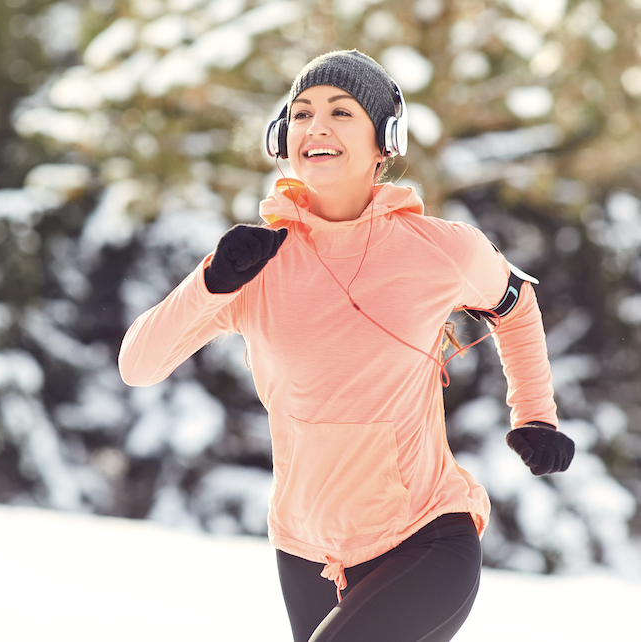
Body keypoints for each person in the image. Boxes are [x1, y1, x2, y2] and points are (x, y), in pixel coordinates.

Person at [118, 50, 575, 642]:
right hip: (305, 550)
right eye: (302, 113)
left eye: (341, 111)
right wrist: (210, 281)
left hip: (426, 535)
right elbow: (138, 365)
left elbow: (516, 304)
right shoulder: (255, 264)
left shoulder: (440, 249)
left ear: (385, 140)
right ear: (282, 138)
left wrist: (535, 413)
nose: (318, 126)